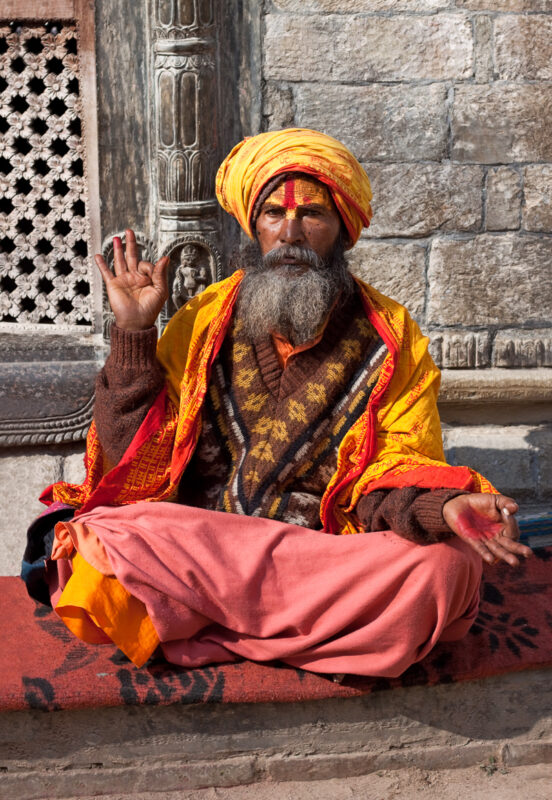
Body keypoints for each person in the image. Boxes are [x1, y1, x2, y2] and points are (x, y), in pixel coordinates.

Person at [24, 129, 531, 676]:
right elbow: (132, 465)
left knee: (446, 570)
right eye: (272, 214)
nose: (290, 233)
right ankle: (313, 638)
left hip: (318, 558)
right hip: (205, 547)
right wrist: (133, 334)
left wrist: (440, 507)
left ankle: (210, 627)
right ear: (253, 226)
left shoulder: (392, 338)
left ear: (341, 229)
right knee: (103, 540)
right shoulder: (203, 320)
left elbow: (396, 465)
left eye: (312, 215)